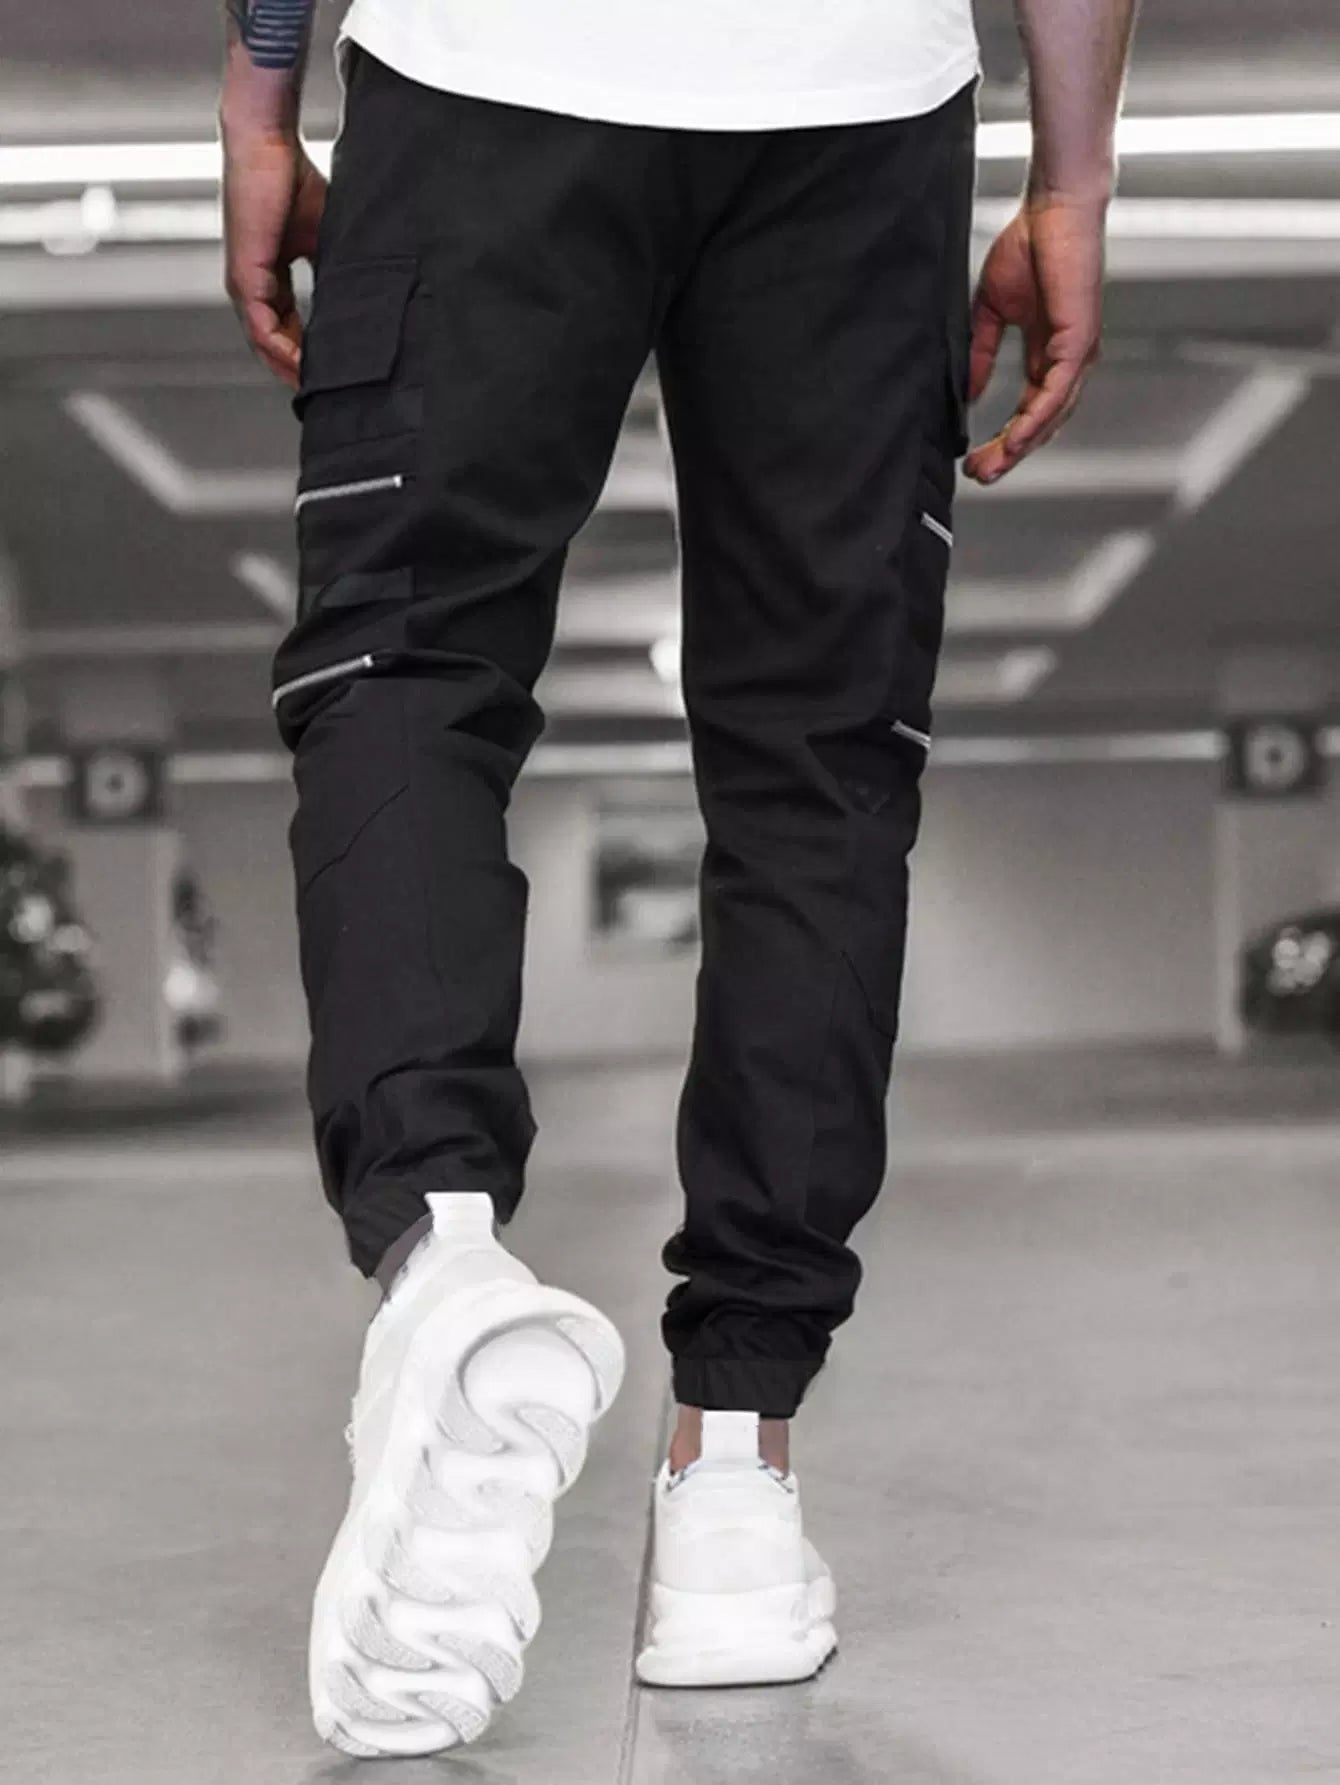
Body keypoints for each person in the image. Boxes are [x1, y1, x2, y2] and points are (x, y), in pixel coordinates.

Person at [221, 0, 1136, 1756]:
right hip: (858, 99)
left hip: (484, 71)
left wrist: (262, 97)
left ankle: (442, 1252)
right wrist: (1073, 176)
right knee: (821, 764)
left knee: (406, 668)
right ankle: (734, 1479)